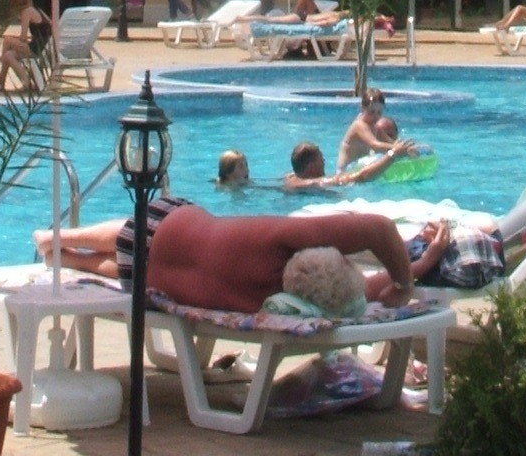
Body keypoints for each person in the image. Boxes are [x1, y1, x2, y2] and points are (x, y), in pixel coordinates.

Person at [35, 197, 414, 316]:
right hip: (144, 280)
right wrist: (414, 274)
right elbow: (365, 290)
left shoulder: (277, 241)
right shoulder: (271, 306)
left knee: (129, 235)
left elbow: (378, 228)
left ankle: (58, 238)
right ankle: (70, 259)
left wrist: (404, 282)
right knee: (126, 260)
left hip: (163, 225)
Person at [281, 137, 413, 193]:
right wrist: (393, 154)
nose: (324, 161)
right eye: (321, 159)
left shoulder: (289, 178)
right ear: (311, 167)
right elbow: (362, 177)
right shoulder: (317, 183)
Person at [0, 0, 52, 91]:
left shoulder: (27, 11)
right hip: (42, 46)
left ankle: (2, 77)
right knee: (8, 55)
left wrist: (15, 42)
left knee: (7, 40)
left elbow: (23, 37)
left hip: (37, 47)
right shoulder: (37, 10)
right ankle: (22, 81)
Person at [337, 88, 399, 170]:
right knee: (379, 158)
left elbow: (390, 142)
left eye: (379, 112)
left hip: (357, 169)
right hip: (345, 173)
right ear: (363, 108)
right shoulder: (359, 125)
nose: (376, 116)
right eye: (372, 112)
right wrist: (398, 149)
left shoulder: (374, 126)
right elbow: (375, 145)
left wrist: (406, 147)